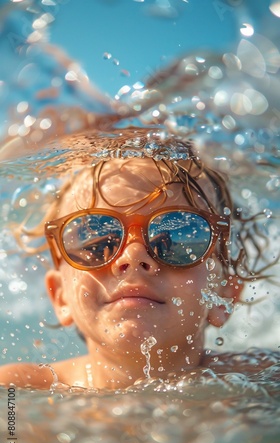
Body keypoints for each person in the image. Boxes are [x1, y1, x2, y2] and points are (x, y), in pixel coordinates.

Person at [0, 128, 276, 389]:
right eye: (99, 243)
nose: (133, 257)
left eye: (178, 236)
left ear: (225, 295)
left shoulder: (262, 381)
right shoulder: (19, 389)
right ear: (60, 296)